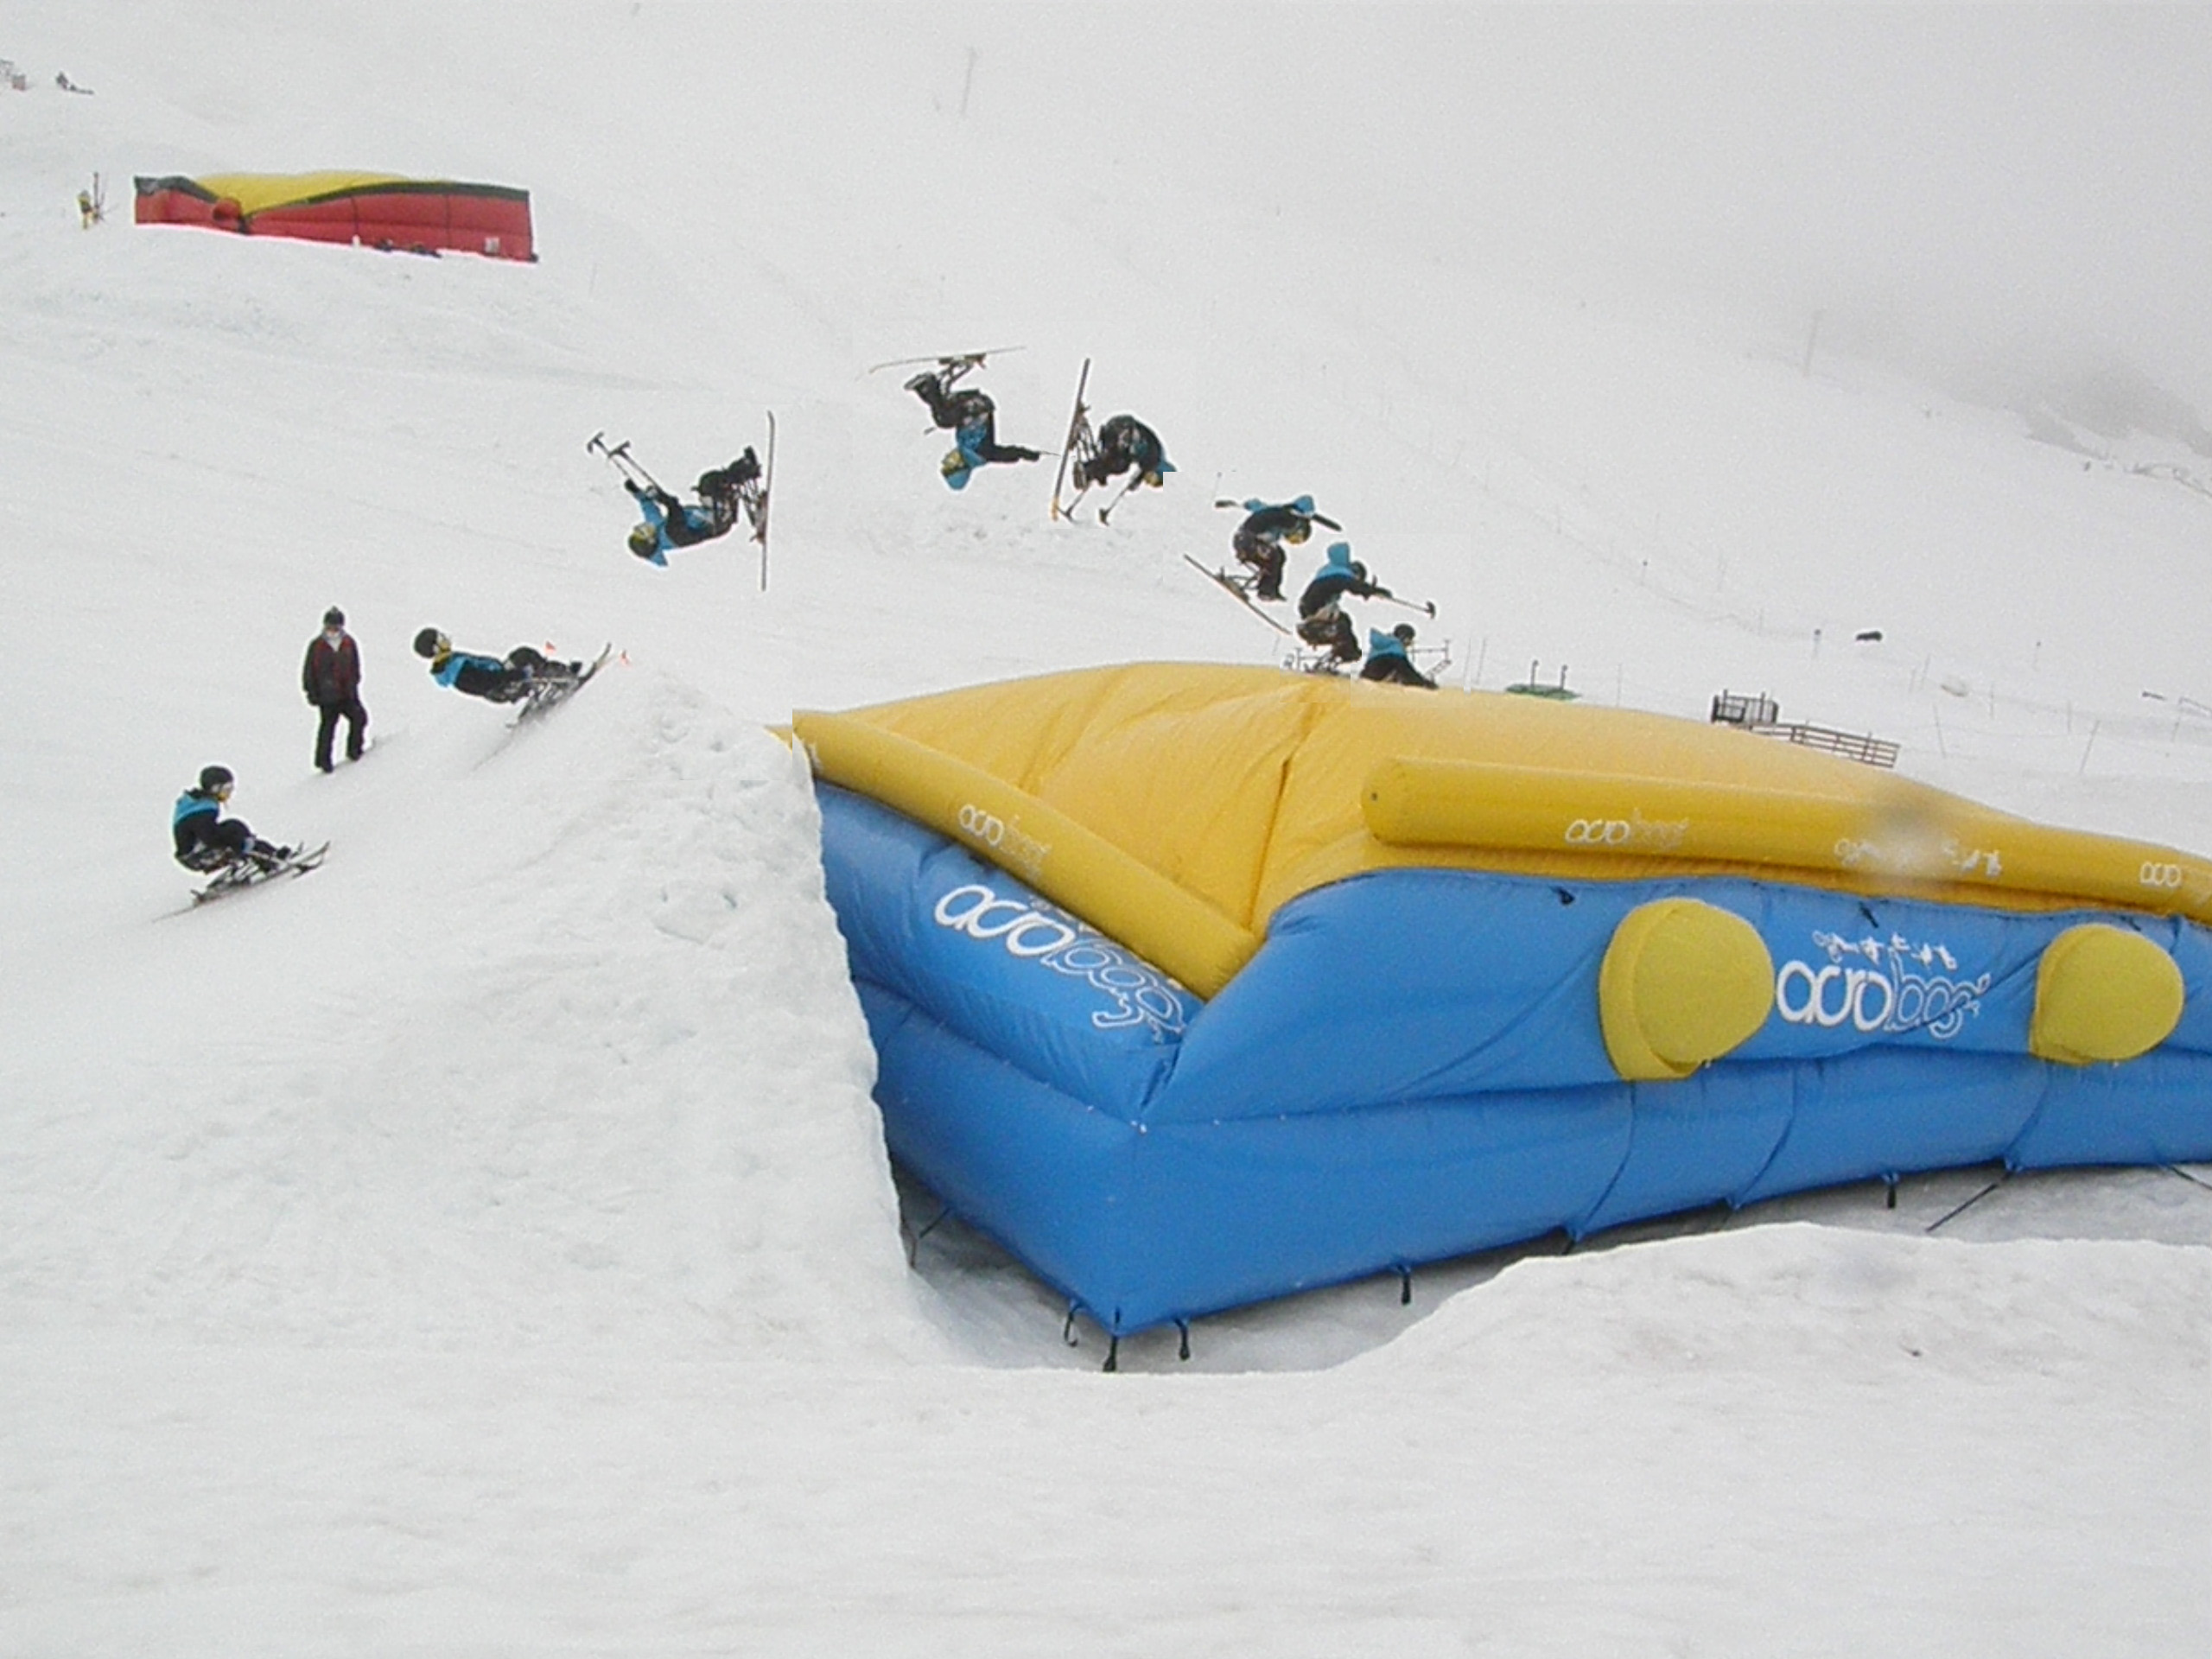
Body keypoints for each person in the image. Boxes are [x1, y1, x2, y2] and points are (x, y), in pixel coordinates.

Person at [906, 363, 1040, 489]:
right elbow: (1005, 454)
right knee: (943, 420)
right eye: (949, 463)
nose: (947, 458)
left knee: (943, 416)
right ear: (960, 466)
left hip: (969, 411)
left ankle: (926, 387)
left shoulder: (966, 450)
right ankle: (928, 384)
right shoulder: (981, 454)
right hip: (976, 408)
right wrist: (1028, 454)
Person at [625, 448, 761, 564]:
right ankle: (746, 470)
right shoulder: (674, 536)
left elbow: (650, 510)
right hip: (717, 522)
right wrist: (662, 497)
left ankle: (745, 469)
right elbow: (675, 509)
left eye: (639, 529)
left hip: (707, 513)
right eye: (643, 532)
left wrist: (638, 493)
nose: (644, 527)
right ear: (651, 540)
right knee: (710, 483)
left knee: (709, 483)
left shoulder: (655, 528)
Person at [172, 766, 292, 874]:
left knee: (234, 827)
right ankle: (269, 858)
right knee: (234, 831)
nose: (228, 794)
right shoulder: (202, 809)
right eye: (226, 789)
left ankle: (266, 855)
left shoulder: (197, 803)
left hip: (194, 854)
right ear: (215, 788)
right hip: (197, 857)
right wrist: (240, 844)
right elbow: (210, 837)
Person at [413, 627, 580, 703]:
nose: (446, 640)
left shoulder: (451, 662)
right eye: (441, 639)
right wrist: (516, 675)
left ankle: (554, 676)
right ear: (436, 648)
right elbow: (486, 683)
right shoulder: (457, 671)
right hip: (502, 687)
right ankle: (561, 679)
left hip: (502, 679)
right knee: (524, 657)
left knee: (521, 654)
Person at [1296, 541, 1393, 665]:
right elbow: (1352, 585)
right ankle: (1346, 651)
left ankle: (1345, 650)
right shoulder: (1340, 574)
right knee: (1343, 623)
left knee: (1344, 618)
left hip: (1310, 609)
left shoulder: (1329, 573)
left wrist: (1367, 591)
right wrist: (1372, 590)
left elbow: (1350, 585)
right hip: (1315, 611)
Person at [302, 607, 368, 772]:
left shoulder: (349, 643)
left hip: (347, 694)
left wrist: (354, 684)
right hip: (327, 696)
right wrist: (311, 692)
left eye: (336, 627)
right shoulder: (317, 646)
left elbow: (355, 666)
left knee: (360, 718)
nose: (333, 630)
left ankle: (354, 751)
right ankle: (323, 761)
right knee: (328, 729)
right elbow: (309, 670)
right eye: (330, 627)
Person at [1233, 496, 1336, 602]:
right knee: (1276, 557)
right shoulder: (1289, 518)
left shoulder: (1277, 511)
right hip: (1250, 543)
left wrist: (1250, 504)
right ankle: (1266, 591)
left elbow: (1261, 508)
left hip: (1240, 540)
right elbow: (1284, 516)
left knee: (1278, 556)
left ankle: (1269, 588)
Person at [1073, 414, 1173, 493]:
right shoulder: (1155, 458)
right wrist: (1136, 482)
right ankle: (1089, 471)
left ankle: (1089, 471)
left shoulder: (1154, 453)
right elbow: (1146, 468)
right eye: (1153, 481)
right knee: (1120, 465)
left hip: (1118, 427)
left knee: (1111, 461)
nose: (1148, 482)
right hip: (1124, 431)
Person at [1359, 623, 1438, 689]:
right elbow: (1407, 671)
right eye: (1409, 640)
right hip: (1376, 687)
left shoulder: (1379, 648)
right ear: (1404, 637)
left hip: (1366, 682)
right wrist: (1424, 683)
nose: (1409, 644)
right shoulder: (1396, 650)